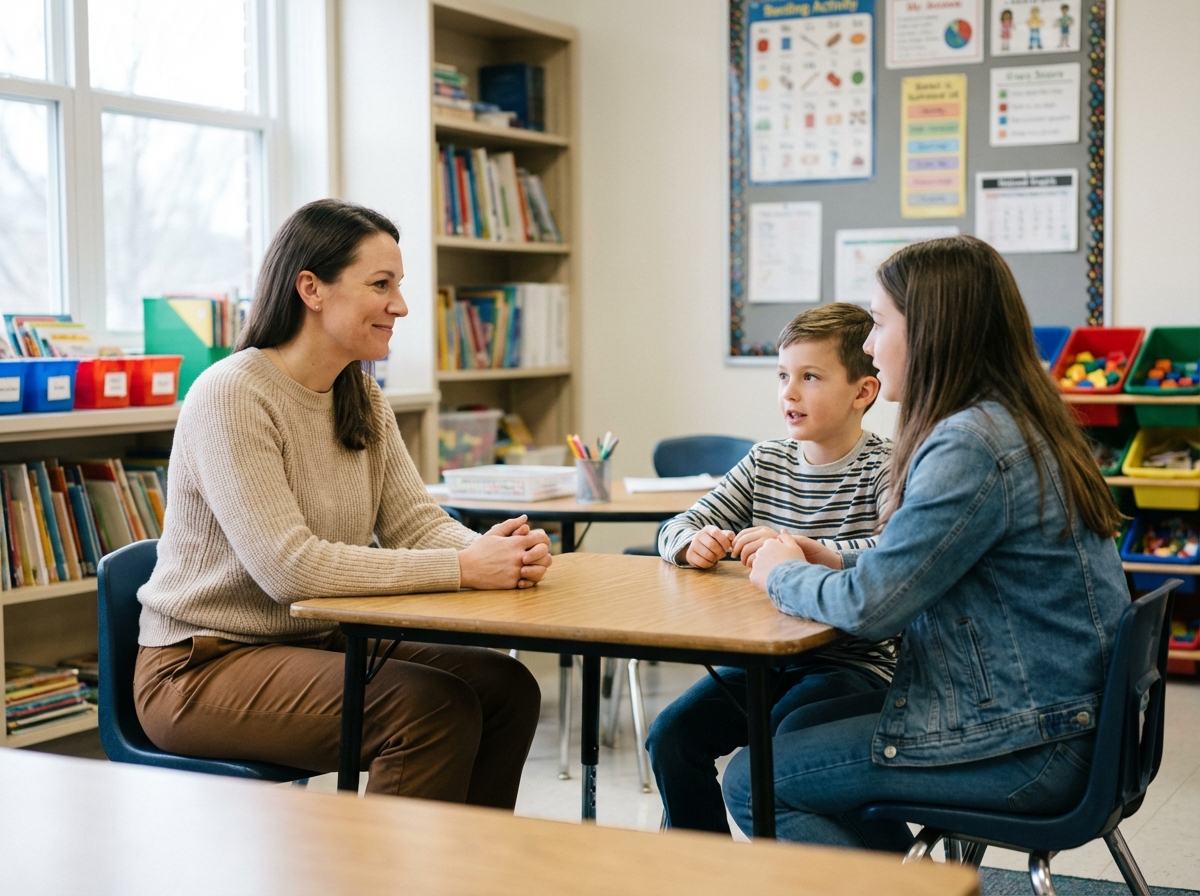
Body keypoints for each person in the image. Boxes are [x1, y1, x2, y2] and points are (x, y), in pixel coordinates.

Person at [134, 199, 549, 807]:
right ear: (311, 288)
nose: (400, 306)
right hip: (198, 669)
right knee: (425, 710)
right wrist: (465, 569)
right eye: (381, 285)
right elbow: (289, 570)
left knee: (505, 686)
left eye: (398, 286)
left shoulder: (360, 396)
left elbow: (414, 523)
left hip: (310, 644)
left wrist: (495, 552)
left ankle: (467, 874)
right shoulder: (233, 394)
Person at [723, 235, 1127, 848]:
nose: (867, 344)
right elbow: (920, 565)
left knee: (752, 781)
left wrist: (781, 571)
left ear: (932, 330)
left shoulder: (970, 443)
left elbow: (873, 609)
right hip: (1070, 721)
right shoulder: (1013, 417)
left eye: (880, 323)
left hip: (1034, 744)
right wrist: (830, 557)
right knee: (800, 723)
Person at [648, 303, 896, 834]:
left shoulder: (888, 468)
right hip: (766, 659)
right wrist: (693, 543)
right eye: (784, 376)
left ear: (862, 393)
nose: (789, 392)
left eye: (810, 377)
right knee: (671, 736)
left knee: (777, 746)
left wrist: (802, 546)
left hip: (852, 663)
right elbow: (675, 526)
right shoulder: (768, 461)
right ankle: (701, 869)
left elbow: (893, 554)